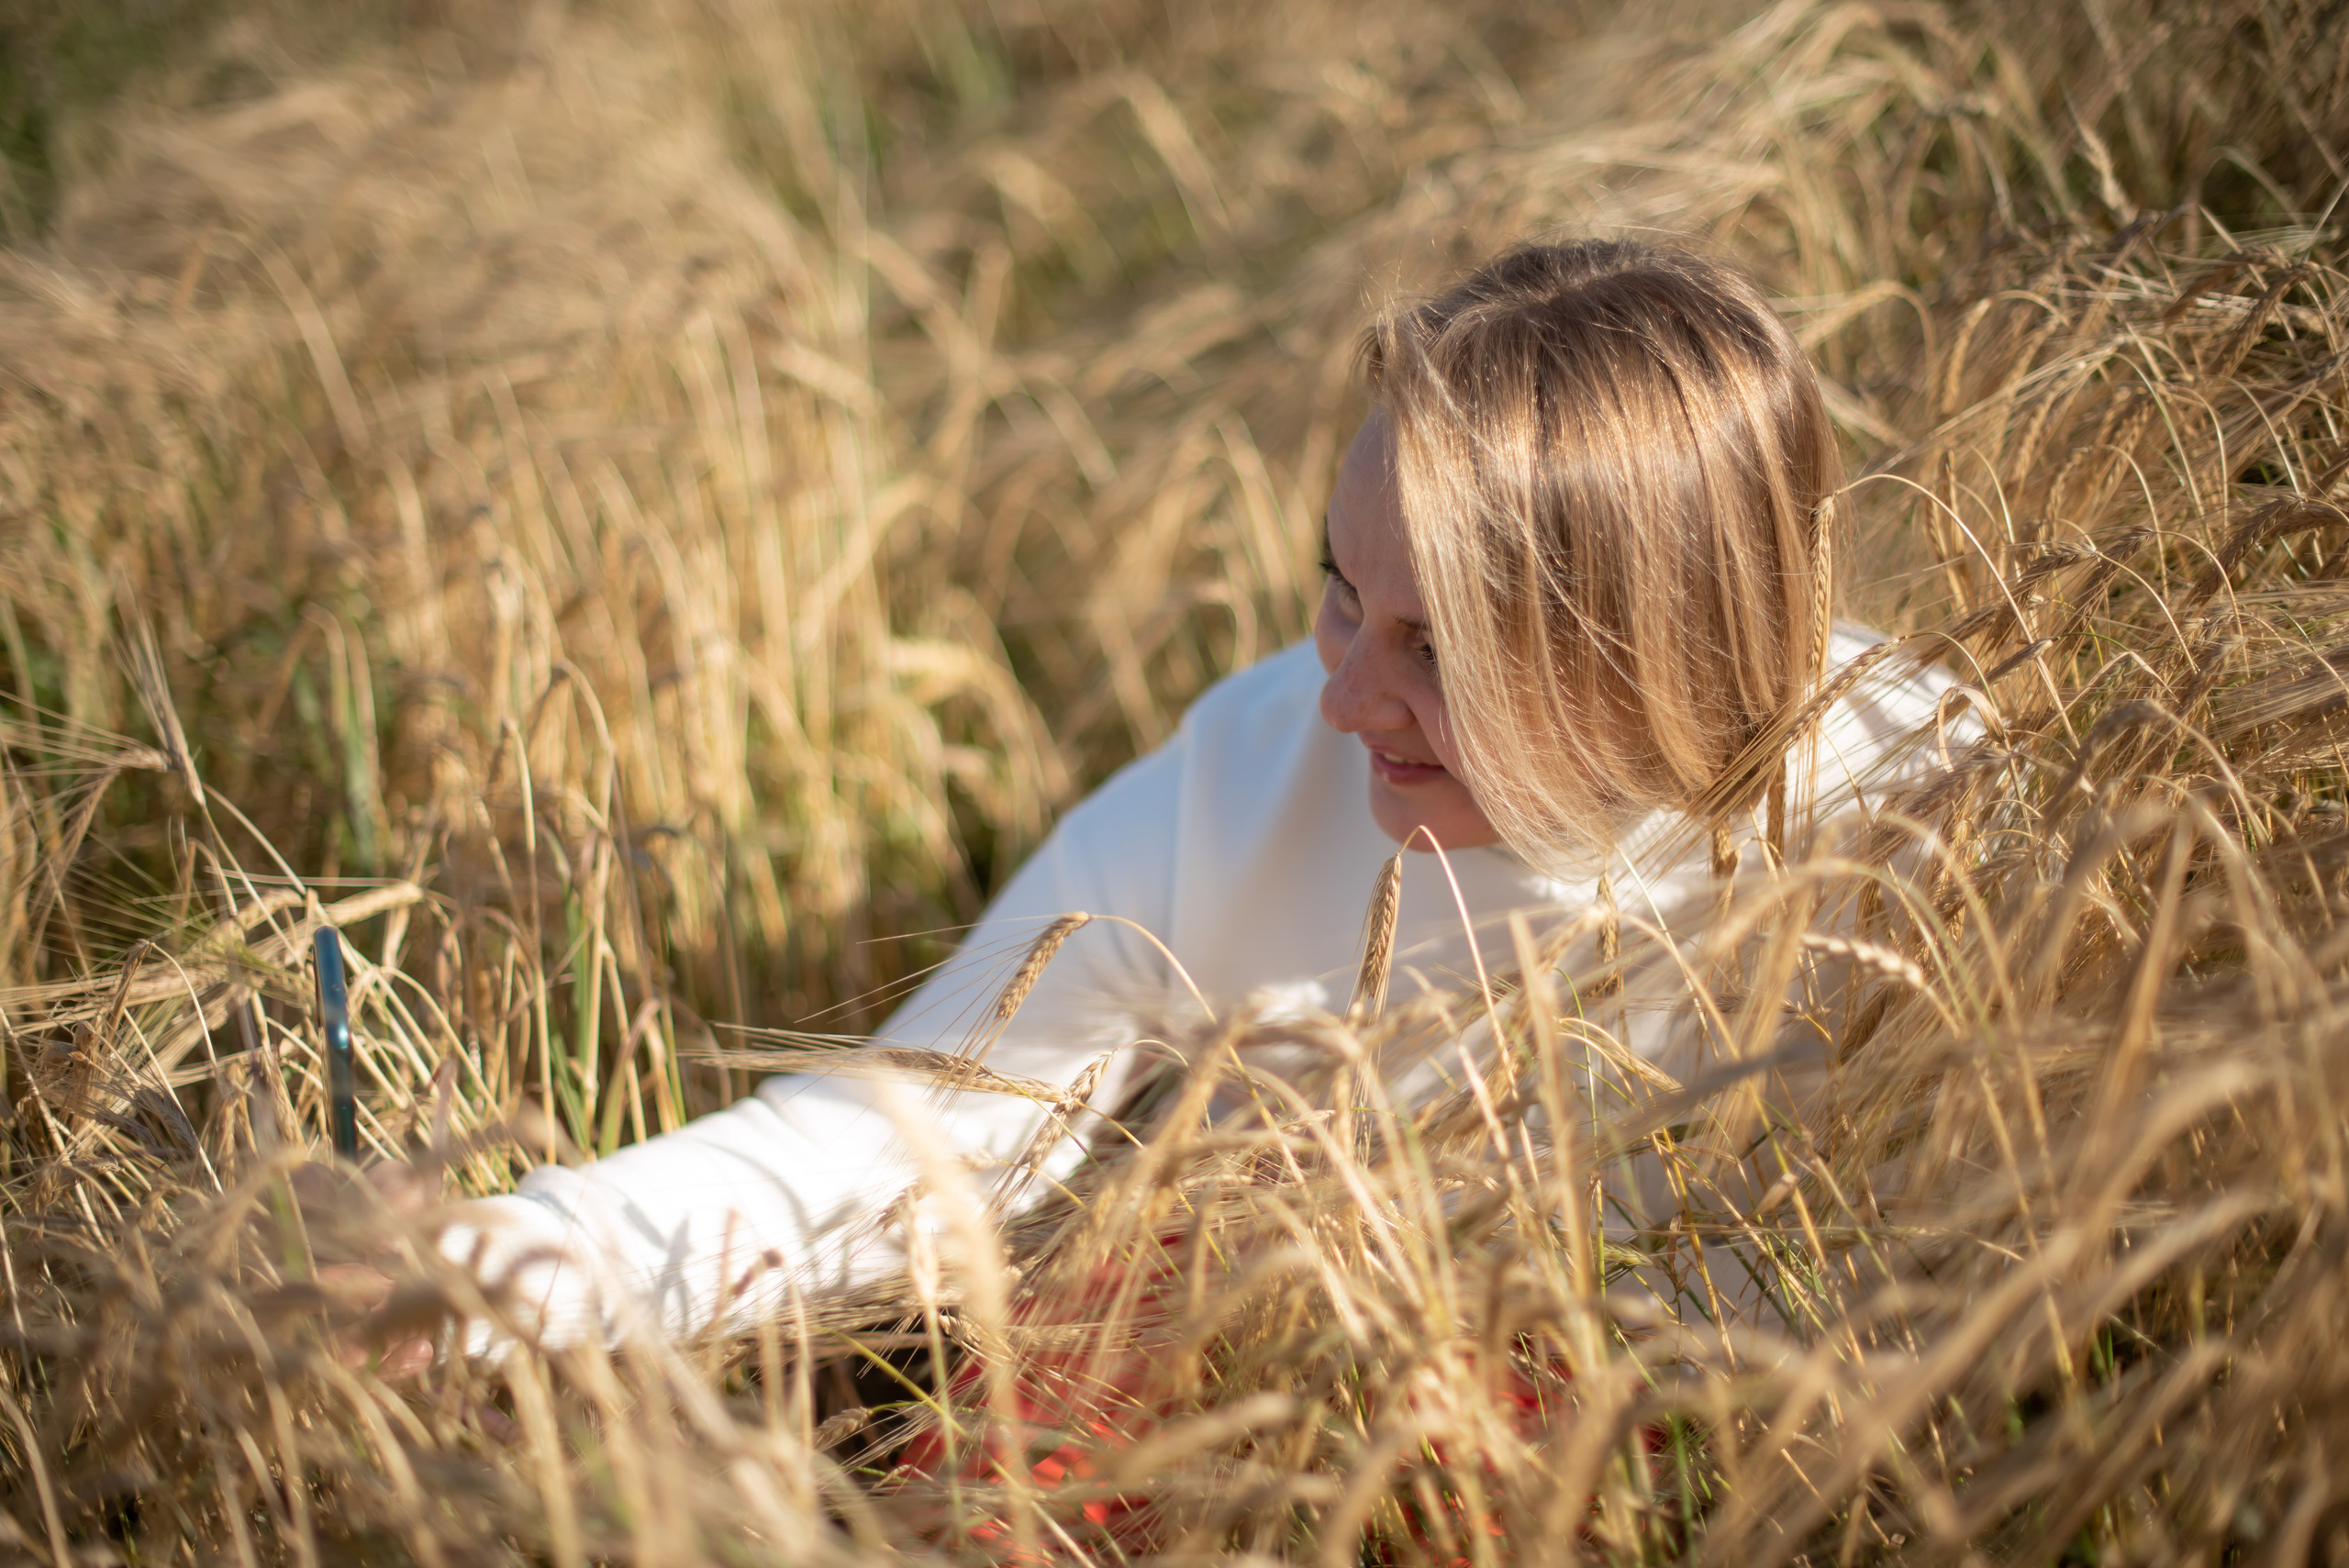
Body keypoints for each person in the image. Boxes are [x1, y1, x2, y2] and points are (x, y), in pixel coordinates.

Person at [435, 238, 1953, 1350]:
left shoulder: (1926, 812)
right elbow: (905, 1148)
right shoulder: (1254, 766)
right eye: (1341, 592)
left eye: (1443, 648)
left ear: (1666, 649)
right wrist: (509, 1264)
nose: (1345, 694)